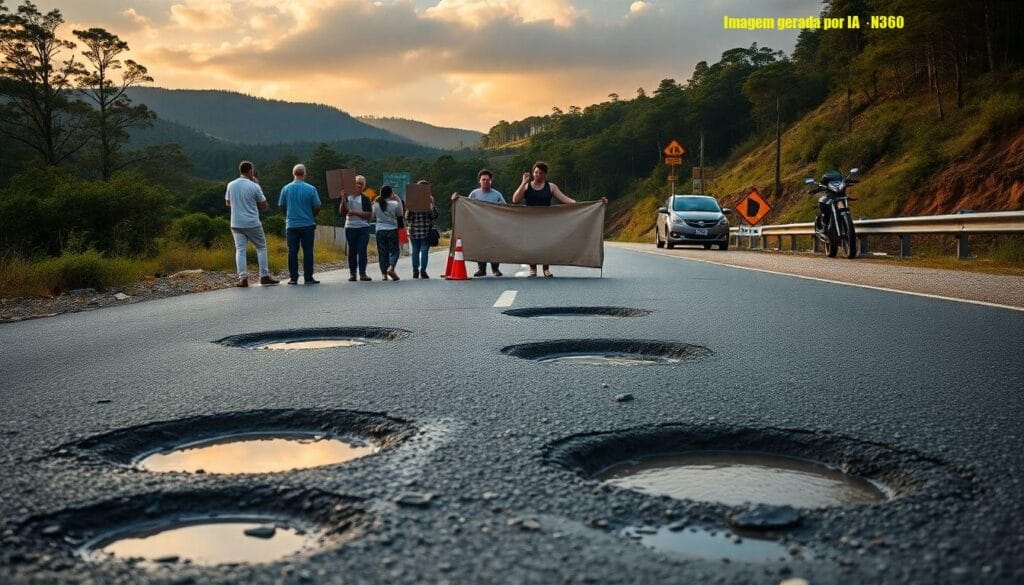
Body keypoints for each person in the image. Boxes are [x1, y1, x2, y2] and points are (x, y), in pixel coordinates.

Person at [511, 161, 607, 277]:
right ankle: (533, 268)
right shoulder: (527, 186)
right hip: (530, 222)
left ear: (545, 174)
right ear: (533, 173)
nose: (537, 175)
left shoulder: (551, 187)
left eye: (540, 173)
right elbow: (515, 199)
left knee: (546, 244)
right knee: (532, 244)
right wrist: (523, 182)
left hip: (546, 221)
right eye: (535, 172)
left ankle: (546, 269)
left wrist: (591, 204)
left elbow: (566, 200)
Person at [225, 161, 279, 287]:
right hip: (252, 223)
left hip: (236, 223)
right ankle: (264, 276)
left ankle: (243, 279)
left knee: (240, 250)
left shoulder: (231, 184)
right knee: (261, 248)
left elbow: (227, 203)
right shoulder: (254, 186)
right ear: (250, 171)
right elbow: (264, 205)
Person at [452, 169, 505, 277]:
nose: (486, 181)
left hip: (493, 226)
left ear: (491, 181)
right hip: (478, 226)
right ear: (479, 181)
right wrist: (456, 199)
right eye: (483, 179)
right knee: (480, 247)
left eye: (488, 180)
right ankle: (481, 269)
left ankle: (495, 269)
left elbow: (505, 207)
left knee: (494, 247)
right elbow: (466, 205)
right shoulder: (474, 193)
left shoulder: (497, 194)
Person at [277, 163, 321, 285]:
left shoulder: (286, 188)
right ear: (304, 174)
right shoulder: (311, 188)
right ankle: (308, 277)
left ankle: (293, 278)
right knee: (307, 251)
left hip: (291, 224)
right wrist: (312, 216)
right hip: (307, 224)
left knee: (292, 251)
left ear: (293, 173)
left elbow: (280, 205)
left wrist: (287, 215)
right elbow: (317, 206)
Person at [339, 176, 373, 281]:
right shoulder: (347, 197)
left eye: (361, 184)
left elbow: (368, 214)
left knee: (362, 250)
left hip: (363, 227)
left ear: (363, 186)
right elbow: (342, 212)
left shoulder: (366, 198)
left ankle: (362, 273)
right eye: (357, 183)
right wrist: (342, 199)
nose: (358, 185)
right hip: (350, 227)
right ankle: (352, 273)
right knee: (352, 251)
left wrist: (354, 212)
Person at [406, 179, 439, 279]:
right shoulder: (429, 201)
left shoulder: (412, 200)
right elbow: (435, 216)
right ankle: (423, 271)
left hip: (413, 230)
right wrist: (431, 205)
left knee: (415, 251)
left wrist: (409, 209)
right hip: (425, 230)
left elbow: (408, 218)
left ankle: (415, 271)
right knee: (424, 250)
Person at [373, 185, 404, 281]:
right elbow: (400, 214)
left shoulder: (375, 204)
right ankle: (391, 268)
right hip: (392, 229)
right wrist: (397, 198)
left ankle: (384, 274)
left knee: (383, 252)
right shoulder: (395, 204)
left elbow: (373, 216)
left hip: (380, 230)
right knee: (395, 251)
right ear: (391, 193)